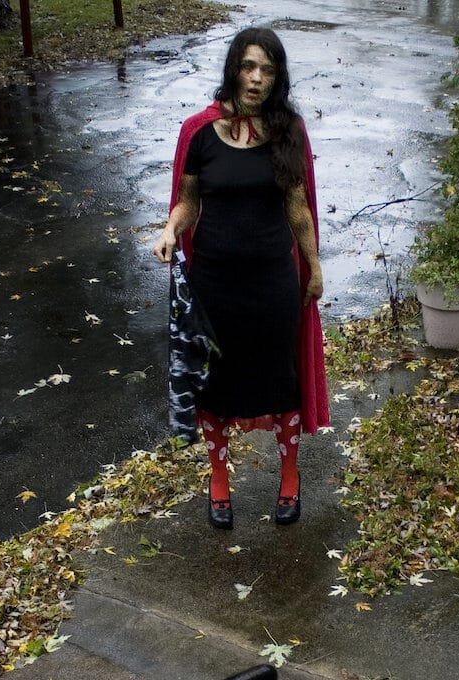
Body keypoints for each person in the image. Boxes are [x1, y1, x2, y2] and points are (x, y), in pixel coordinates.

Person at [152, 27, 330, 530]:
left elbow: (298, 208)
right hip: (215, 285)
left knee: (281, 382)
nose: (257, 79)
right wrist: (169, 229)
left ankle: (290, 476)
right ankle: (218, 479)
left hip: (274, 283)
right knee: (217, 387)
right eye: (249, 67)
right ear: (234, 69)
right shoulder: (199, 132)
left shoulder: (287, 131)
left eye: (267, 70)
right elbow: (188, 202)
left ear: (277, 78)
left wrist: (314, 266)